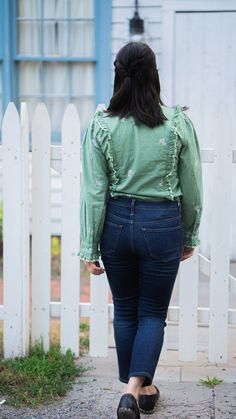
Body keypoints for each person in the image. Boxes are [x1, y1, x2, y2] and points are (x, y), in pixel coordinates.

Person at [79, 42, 203, 419]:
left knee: (127, 312)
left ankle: (142, 389)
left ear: (118, 73)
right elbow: (193, 187)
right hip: (161, 224)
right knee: (152, 313)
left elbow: (94, 192)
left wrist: (89, 246)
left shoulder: (101, 125)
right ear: (154, 73)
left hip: (116, 225)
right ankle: (133, 391)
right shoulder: (178, 122)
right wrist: (190, 234)